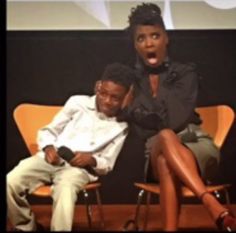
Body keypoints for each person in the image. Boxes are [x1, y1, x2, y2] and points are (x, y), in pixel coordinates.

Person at [122, 2, 236, 231]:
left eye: (155, 35)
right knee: (163, 138)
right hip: (153, 149)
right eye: (141, 38)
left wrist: (139, 112)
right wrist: (139, 114)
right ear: (135, 45)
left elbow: (176, 120)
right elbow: (142, 131)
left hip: (196, 145)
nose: (149, 43)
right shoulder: (132, 81)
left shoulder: (185, 72)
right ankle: (211, 205)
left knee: (166, 148)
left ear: (166, 39)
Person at [7, 62, 135, 231]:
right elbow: (48, 131)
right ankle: (26, 227)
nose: (107, 101)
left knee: (65, 191)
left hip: (79, 170)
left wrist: (91, 159)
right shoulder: (77, 103)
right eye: (103, 94)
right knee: (10, 181)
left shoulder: (121, 126)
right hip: (52, 159)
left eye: (115, 98)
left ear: (126, 97)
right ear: (98, 87)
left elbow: (107, 164)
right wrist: (48, 148)